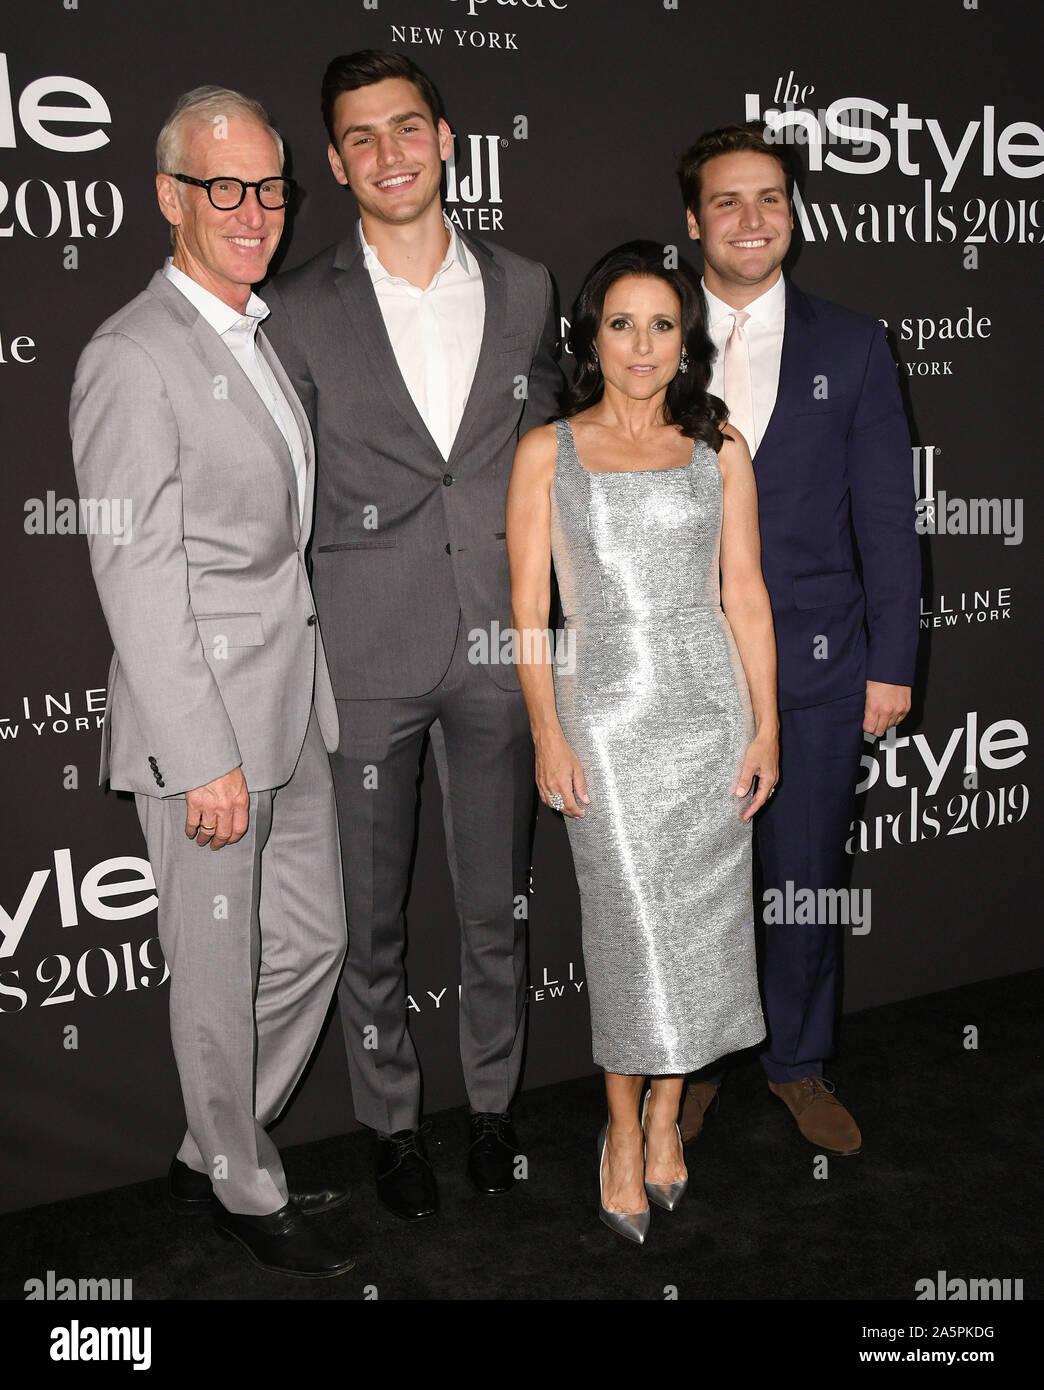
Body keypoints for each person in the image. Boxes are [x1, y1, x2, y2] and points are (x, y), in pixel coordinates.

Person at [263, 51, 561, 1221]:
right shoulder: (290, 309)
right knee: (366, 920)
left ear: (447, 139)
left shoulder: (528, 284)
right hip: (364, 654)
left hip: (502, 644)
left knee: (499, 902)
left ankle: (493, 1110)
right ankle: (391, 1124)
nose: (389, 153)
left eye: (408, 127)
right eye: (361, 137)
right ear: (335, 163)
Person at [69, 87, 354, 1279]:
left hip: (290, 710)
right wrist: (203, 754)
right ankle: (241, 1185)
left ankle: (207, 1149)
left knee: (313, 946)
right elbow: (133, 575)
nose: (253, 211)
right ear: (168, 197)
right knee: (218, 973)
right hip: (208, 742)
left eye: (271, 188)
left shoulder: (255, 331)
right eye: (222, 188)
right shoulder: (133, 355)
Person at [506, 241, 778, 1242]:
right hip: (606, 722)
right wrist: (547, 730)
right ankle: (618, 1126)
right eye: (622, 323)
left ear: (686, 340)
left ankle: (669, 1113)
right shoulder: (550, 450)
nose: (642, 344)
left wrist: (768, 726)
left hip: (712, 713)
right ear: (592, 335)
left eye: (663, 325)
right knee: (630, 935)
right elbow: (529, 611)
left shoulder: (721, 447)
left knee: (704, 932)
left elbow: (744, 596)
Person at [676, 123, 921, 1155]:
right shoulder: (643, 333)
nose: (750, 219)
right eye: (727, 201)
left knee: (806, 871)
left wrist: (891, 665)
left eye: (769, 198)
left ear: (794, 214)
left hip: (820, 666)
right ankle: (686, 1063)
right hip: (677, 669)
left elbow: (887, 519)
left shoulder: (853, 343)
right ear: (691, 222)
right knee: (687, 883)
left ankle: (799, 1061)